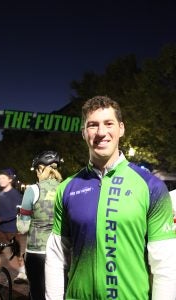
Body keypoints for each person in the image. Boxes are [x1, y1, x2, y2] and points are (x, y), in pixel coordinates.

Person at [45, 96, 176, 300]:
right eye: (92, 125)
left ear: (121, 129)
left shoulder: (151, 186)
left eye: (108, 123)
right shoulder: (67, 188)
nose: (101, 132)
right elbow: (56, 257)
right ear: (83, 132)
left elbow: (165, 265)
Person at [17, 150, 63, 300]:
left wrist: (21, 215)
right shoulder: (65, 188)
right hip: (60, 250)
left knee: (37, 293)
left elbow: (22, 228)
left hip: (36, 251)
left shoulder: (33, 190)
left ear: (40, 169)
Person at [0, 168, 27, 283]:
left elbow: (15, 213)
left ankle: (22, 273)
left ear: (10, 179)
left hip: (12, 230)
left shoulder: (16, 195)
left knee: (17, 254)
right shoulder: (0, 194)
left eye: (3, 178)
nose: (0, 180)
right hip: (0, 230)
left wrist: (0, 218)